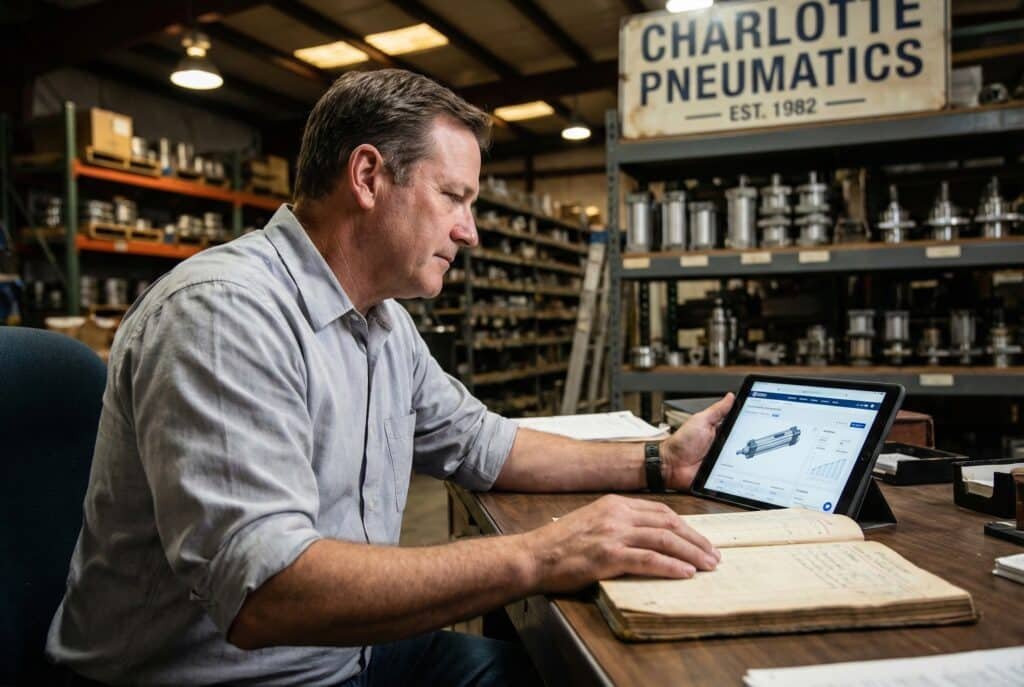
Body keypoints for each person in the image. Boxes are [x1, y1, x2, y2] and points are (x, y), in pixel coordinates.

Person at [46, 69, 734, 686]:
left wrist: (657, 459)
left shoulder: (381, 322)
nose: (470, 232)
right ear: (369, 177)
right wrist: (542, 554)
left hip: (345, 653)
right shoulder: (225, 314)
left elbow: (480, 441)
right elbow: (267, 590)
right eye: (453, 196)